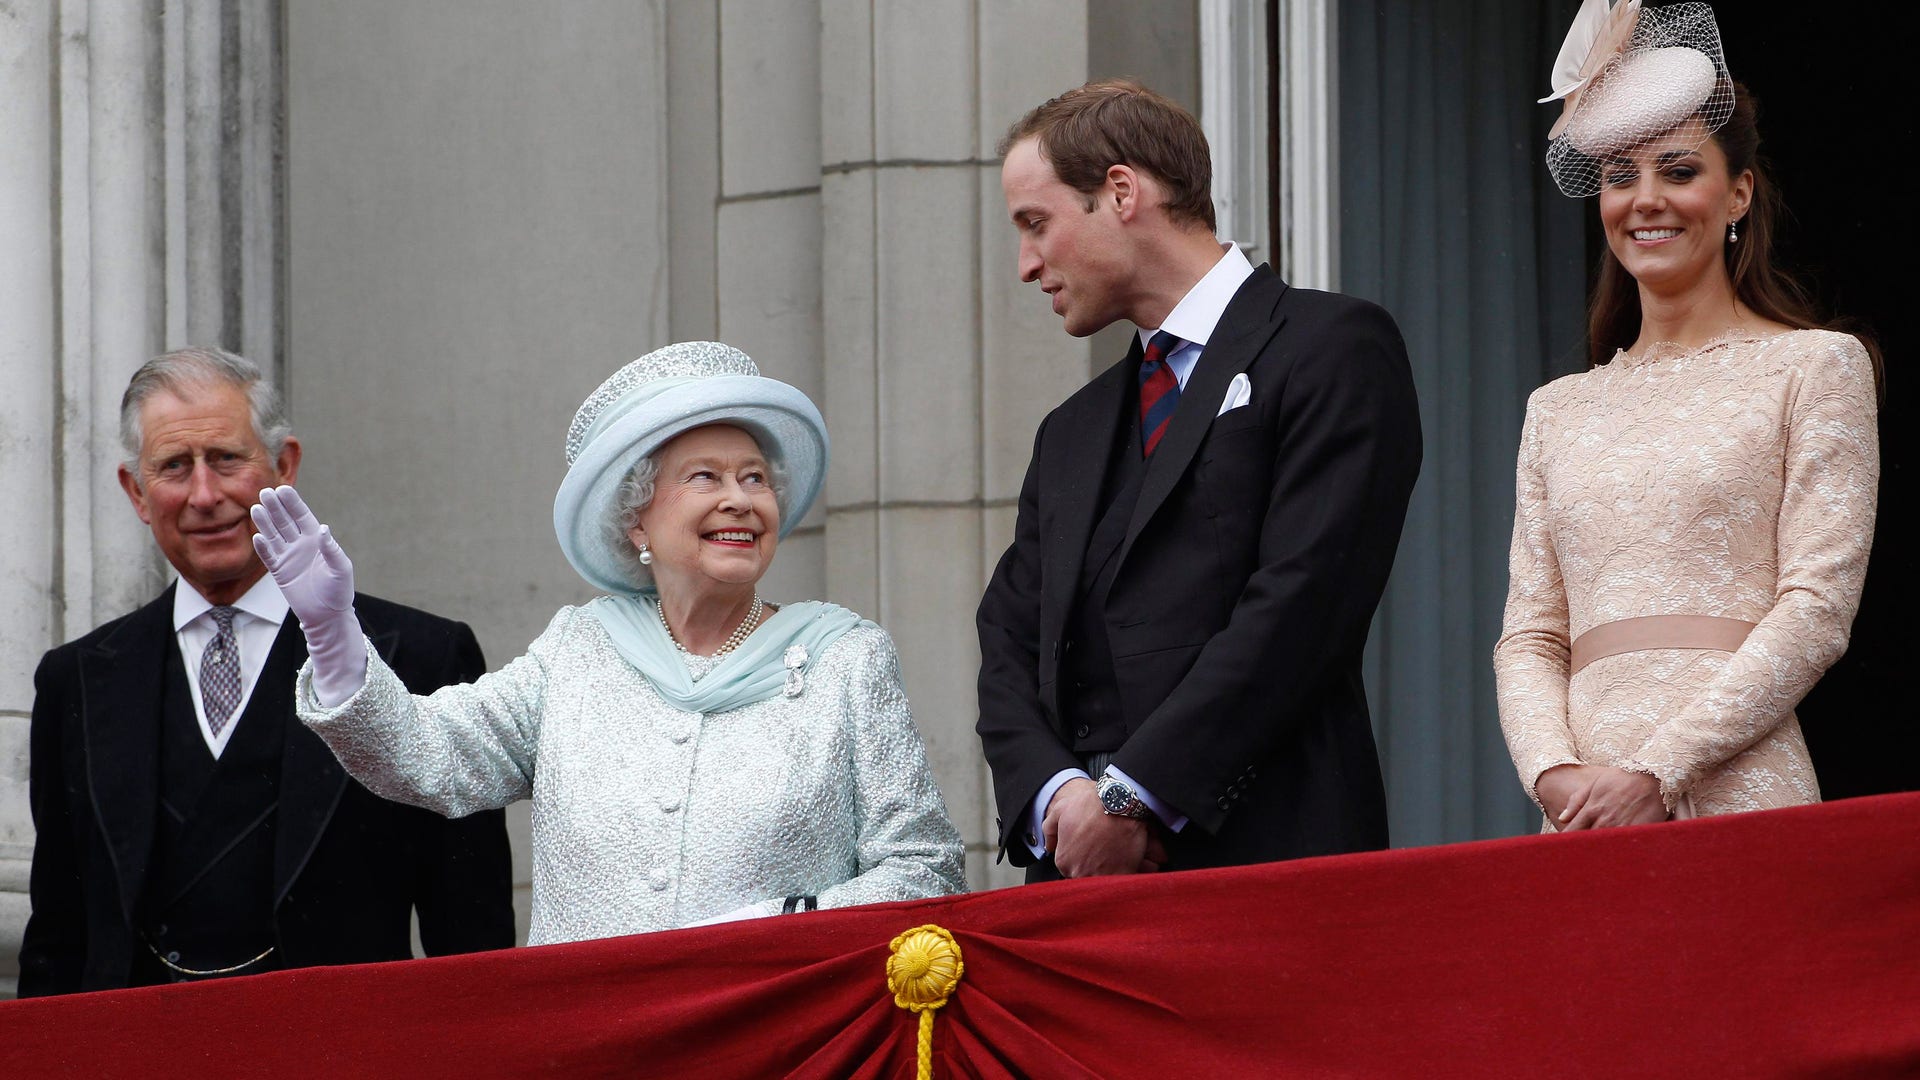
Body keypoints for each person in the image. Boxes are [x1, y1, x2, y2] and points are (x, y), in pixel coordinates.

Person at [251, 341, 966, 944]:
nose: (741, 499)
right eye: (706, 478)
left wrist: (785, 921)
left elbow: (925, 867)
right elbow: (428, 758)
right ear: (637, 520)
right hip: (591, 1035)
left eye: (755, 478)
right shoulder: (577, 652)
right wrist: (332, 631)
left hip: (775, 1031)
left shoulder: (846, 659)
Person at [976, 80, 1423, 882]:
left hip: (1272, 871)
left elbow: (1303, 604)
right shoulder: (1070, 430)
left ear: (1121, 192)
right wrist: (1060, 800)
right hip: (1076, 885)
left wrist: (1132, 798)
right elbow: (1008, 639)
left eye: (1036, 224)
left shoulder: (1332, 347)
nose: (1026, 265)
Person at [19, 348, 514, 996]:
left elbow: (473, 937)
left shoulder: (420, 658)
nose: (204, 495)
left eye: (227, 458)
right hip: (139, 1044)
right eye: (174, 466)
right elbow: (59, 939)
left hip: (341, 1041)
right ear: (136, 492)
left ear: (285, 465)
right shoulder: (77, 681)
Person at [1495, 2, 1881, 829]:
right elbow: (1531, 635)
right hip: (1585, 814)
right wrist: (1553, 775)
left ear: (1738, 193)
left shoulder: (1815, 367)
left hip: (1739, 788)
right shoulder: (1556, 410)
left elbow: (1817, 609)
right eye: (1619, 176)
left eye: (1677, 171)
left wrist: (1658, 769)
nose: (1646, 200)